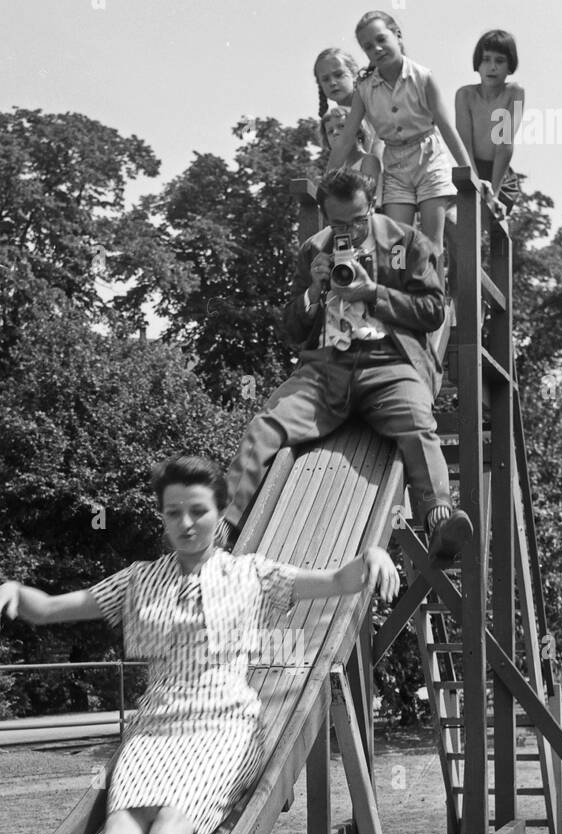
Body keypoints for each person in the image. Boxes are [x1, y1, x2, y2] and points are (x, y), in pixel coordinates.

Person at [0, 454, 401, 834]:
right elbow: (54, 608)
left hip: (225, 727)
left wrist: (372, 556)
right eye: (173, 512)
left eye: (197, 511)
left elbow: (335, 580)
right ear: (161, 517)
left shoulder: (250, 575)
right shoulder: (138, 581)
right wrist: (14, 590)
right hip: (156, 726)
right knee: (123, 823)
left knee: (175, 816)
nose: (185, 523)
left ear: (220, 512)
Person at [221, 166, 472, 564]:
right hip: (326, 369)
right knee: (265, 424)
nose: (348, 232)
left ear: (371, 206)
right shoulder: (312, 250)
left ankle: (439, 520)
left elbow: (432, 311)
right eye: (338, 224)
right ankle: (221, 526)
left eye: (357, 221)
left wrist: (373, 292)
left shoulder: (407, 242)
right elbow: (293, 327)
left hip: (389, 362)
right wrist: (313, 290)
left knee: (417, 420)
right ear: (324, 216)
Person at [324, 10, 471, 263]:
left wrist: (469, 171)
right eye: (368, 47)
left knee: (430, 242)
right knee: (396, 243)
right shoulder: (365, 89)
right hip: (395, 163)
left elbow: (447, 127)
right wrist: (326, 181)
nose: (377, 49)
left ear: (398, 35)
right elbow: (347, 138)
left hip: (429, 158)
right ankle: (398, 300)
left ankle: (432, 299)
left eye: (382, 39)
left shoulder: (422, 77)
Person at [455, 30, 525, 217]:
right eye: (486, 59)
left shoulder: (515, 93)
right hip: (470, 167)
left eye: (499, 61)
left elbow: (505, 143)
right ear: (477, 64)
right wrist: (476, 184)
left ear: (510, 66)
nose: (492, 67)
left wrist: (492, 192)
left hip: (500, 175)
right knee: (460, 217)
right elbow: (464, 146)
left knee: (492, 214)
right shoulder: (465, 95)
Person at [314, 48, 384, 205]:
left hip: (385, 185)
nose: (332, 82)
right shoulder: (335, 119)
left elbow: (379, 150)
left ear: (353, 73)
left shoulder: (371, 103)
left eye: (338, 75)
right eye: (325, 79)